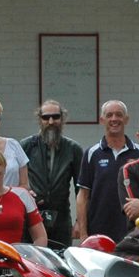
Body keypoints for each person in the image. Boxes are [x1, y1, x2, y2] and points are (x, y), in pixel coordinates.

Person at [20, 99, 82, 247]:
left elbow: (81, 189)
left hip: (61, 218)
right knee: (32, 264)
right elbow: (13, 181)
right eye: (46, 117)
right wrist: (26, 191)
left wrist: (79, 222)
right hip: (32, 217)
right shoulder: (26, 146)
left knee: (60, 263)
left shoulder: (73, 149)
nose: (51, 121)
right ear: (39, 119)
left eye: (55, 117)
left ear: (62, 118)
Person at [75, 100, 138, 242]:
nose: (114, 119)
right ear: (102, 120)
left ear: (126, 119)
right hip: (98, 231)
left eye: (119, 115)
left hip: (133, 232)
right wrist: (84, 234)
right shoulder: (91, 153)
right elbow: (83, 196)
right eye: (109, 115)